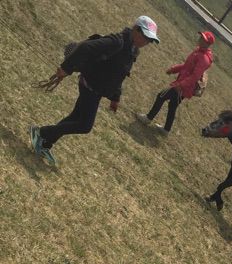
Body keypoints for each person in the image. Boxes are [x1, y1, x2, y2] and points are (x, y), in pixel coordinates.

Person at [29, 16, 159, 166]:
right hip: (90, 86)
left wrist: (115, 97)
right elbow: (85, 47)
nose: (146, 42)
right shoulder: (117, 42)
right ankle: (41, 133)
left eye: (150, 40)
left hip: (98, 90)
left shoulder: (132, 50)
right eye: (145, 36)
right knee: (84, 125)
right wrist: (66, 68)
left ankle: (45, 143)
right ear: (135, 29)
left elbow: (119, 74)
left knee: (75, 117)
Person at [137, 31, 214, 134]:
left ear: (207, 43)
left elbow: (195, 76)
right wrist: (174, 69)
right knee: (173, 105)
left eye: (203, 39)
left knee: (161, 96)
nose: (200, 39)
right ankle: (166, 129)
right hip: (183, 84)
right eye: (201, 37)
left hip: (183, 87)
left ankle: (148, 118)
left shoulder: (204, 58)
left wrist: (181, 85)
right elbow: (187, 66)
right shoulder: (198, 51)